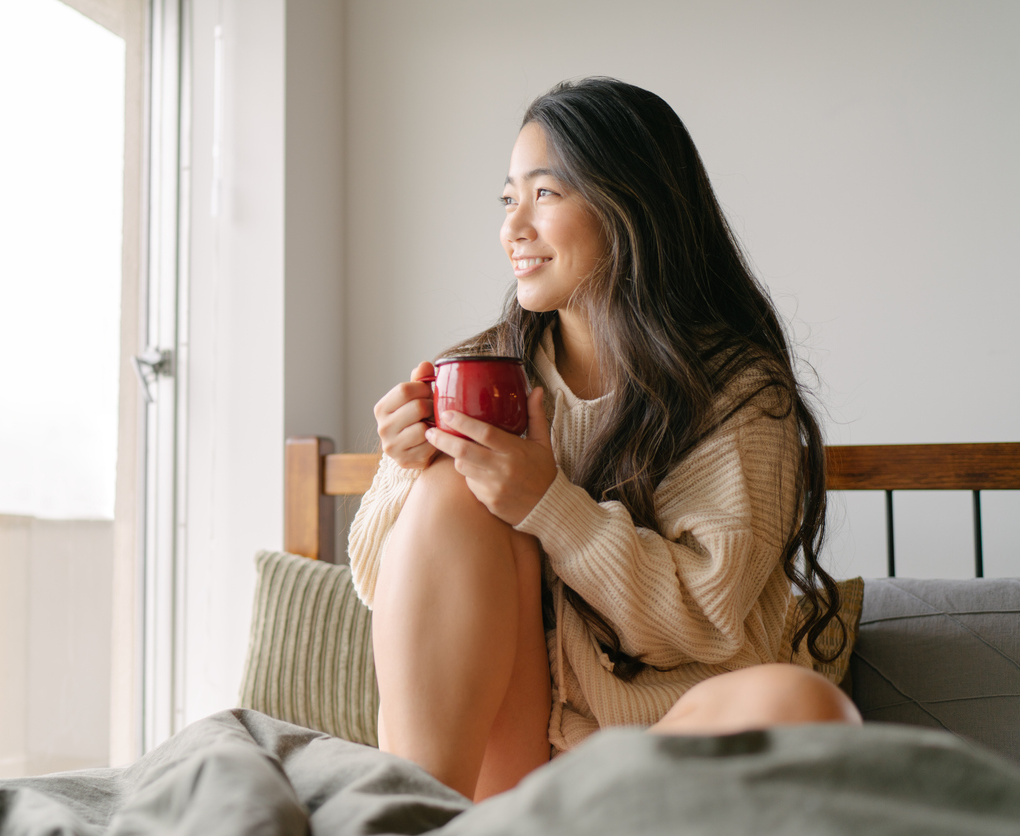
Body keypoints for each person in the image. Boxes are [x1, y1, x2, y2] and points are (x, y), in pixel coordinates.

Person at [347, 77, 861, 803]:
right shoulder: (489, 374)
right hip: (512, 765)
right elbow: (383, 587)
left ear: (631, 207)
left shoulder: (739, 392)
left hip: (656, 761)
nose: (512, 227)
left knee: (803, 707)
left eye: (545, 195)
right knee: (449, 488)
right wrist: (404, 469)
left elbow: (708, 620)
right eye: (507, 199)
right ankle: (413, 817)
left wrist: (549, 504)